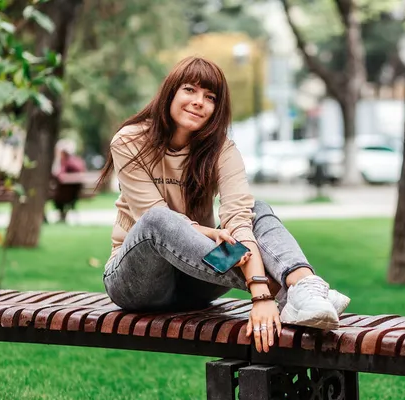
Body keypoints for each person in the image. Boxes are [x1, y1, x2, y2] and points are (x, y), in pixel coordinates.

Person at [96, 57, 350, 354]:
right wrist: (261, 294)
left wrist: (230, 242)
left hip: (197, 278)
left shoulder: (222, 151)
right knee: (157, 220)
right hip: (137, 281)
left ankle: (304, 285)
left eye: (210, 97)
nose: (199, 102)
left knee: (257, 211)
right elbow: (154, 221)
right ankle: (290, 294)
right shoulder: (131, 140)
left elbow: (239, 221)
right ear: (170, 93)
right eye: (189, 90)